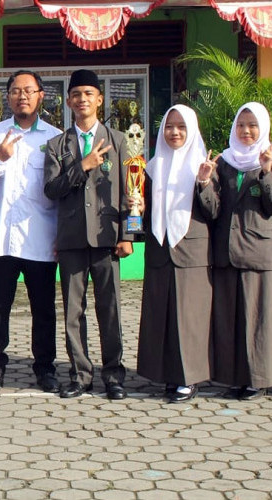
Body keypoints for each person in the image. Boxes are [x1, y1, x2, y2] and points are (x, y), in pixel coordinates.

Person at [44, 69, 134, 400]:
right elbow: (51, 189)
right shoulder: (56, 145)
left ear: (99, 99)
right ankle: (80, 375)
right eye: (76, 94)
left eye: (88, 94)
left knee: (110, 309)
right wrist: (81, 166)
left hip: (108, 237)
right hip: (71, 239)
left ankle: (114, 375)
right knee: (73, 312)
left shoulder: (118, 140)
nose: (82, 99)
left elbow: (130, 190)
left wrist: (128, 235)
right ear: (68, 102)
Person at [0, 70, 62, 394]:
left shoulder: (55, 138)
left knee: (44, 310)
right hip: (1, 239)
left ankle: (45, 368)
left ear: (41, 95)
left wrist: (62, 237)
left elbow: (62, 192)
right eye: (15, 90)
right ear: (7, 96)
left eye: (28, 90)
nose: (21, 96)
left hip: (41, 238)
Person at [133, 105, 218, 403]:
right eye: (169, 127)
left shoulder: (203, 166)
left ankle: (189, 377)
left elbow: (213, 211)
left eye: (181, 127)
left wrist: (204, 182)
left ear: (191, 130)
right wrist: (139, 209)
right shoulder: (152, 167)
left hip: (191, 253)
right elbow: (147, 216)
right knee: (162, 315)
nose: (175, 132)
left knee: (189, 317)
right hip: (159, 251)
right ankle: (167, 374)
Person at [211, 102, 272, 400]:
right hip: (225, 252)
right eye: (241, 125)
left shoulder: (268, 160)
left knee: (258, 320)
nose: (246, 131)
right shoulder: (224, 162)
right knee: (230, 319)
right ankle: (234, 377)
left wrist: (267, 172)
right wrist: (204, 181)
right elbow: (213, 209)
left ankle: (258, 379)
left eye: (253, 125)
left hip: (257, 253)